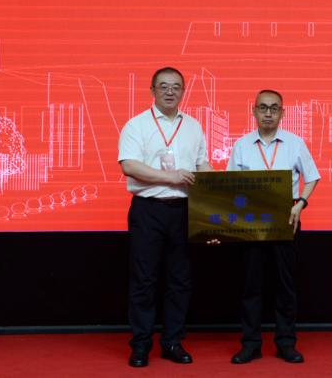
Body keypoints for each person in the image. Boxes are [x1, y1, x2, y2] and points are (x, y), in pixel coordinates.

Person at [118, 67, 212, 368]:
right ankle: (141, 345)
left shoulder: (194, 126)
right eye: (163, 86)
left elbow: (202, 165)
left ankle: (172, 342)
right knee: (144, 279)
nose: (170, 91)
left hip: (185, 211)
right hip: (149, 210)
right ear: (152, 90)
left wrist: (219, 187)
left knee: (179, 280)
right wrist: (171, 177)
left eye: (176, 87)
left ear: (183, 91)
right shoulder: (136, 125)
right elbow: (129, 166)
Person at [226, 89, 320, 364]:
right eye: (263, 107)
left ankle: (286, 343)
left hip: (286, 218)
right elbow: (231, 185)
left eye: (274, 108)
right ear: (254, 111)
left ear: (282, 113)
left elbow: (312, 177)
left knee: (285, 286)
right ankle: (250, 344)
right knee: (251, 286)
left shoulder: (295, 143)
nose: (268, 113)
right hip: (251, 222)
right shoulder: (241, 145)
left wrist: (300, 203)